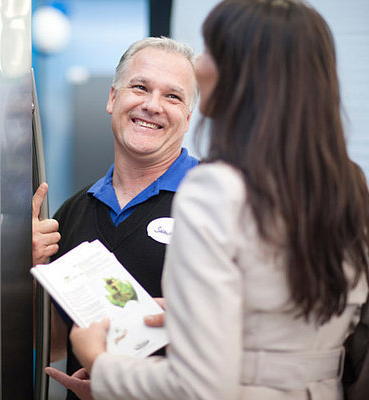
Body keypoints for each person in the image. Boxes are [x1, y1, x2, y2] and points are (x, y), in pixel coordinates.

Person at [67, 0, 369, 399]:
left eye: (211, 49)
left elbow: (201, 388)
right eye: (140, 87)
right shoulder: (348, 182)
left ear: (242, 74)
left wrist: (101, 365)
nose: (202, 63)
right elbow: (297, 318)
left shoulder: (214, 189)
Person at [32, 36, 199, 398]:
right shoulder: (72, 213)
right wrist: (25, 267)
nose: (152, 105)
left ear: (187, 118)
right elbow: (54, 344)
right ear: (112, 98)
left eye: (173, 96)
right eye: (140, 87)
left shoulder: (217, 204)